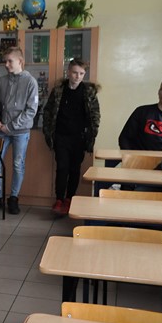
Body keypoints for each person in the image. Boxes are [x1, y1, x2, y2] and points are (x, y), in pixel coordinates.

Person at [0, 47, 39, 215]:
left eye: (9, 61)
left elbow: (31, 111)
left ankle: (13, 198)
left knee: (17, 164)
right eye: (5, 61)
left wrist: (11, 126)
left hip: (20, 131)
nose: (6, 64)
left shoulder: (31, 82)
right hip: (1, 130)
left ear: (20, 61)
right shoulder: (2, 81)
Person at [42, 59, 101, 216]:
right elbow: (48, 111)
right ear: (68, 72)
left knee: (75, 169)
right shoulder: (58, 91)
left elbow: (95, 115)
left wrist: (91, 135)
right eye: (75, 72)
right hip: (61, 136)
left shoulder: (88, 92)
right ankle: (59, 199)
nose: (78, 76)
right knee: (62, 168)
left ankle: (69, 198)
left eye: (81, 73)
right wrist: (48, 132)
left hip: (79, 138)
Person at [118, 77, 162, 151]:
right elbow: (124, 138)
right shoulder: (141, 112)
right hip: (138, 156)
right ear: (158, 92)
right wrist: (131, 156)